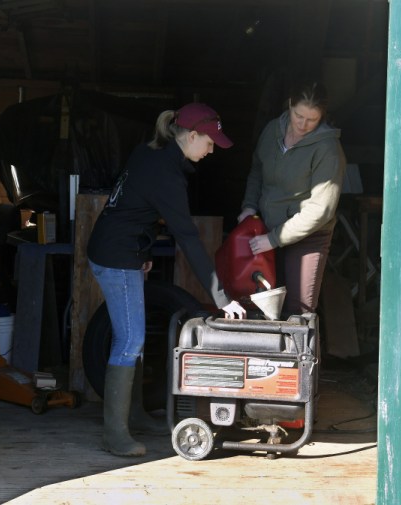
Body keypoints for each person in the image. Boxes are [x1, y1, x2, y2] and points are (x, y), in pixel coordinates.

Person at [87, 102, 247, 457]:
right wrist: (222, 299)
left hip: (116, 249)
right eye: (208, 142)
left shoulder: (150, 152)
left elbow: (132, 207)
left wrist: (143, 254)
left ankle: (136, 415)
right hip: (116, 257)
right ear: (191, 136)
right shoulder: (167, 175)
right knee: (130, 339)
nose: (211, 150)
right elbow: (188, 238)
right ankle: (115, 434)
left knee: (132, 336)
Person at [238, 81, 346, 316]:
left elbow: (321, 210)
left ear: (322, 117)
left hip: (307, 236)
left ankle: (302, 353)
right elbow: (257, 170)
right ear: (289, 105)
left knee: (299, 311)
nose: (303, 124)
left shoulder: (327, 148)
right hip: (266, 229)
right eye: (298, 115)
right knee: (260, 303)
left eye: (312, 119)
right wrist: (249, 206)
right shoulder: (272, 131)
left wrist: (275, 239)